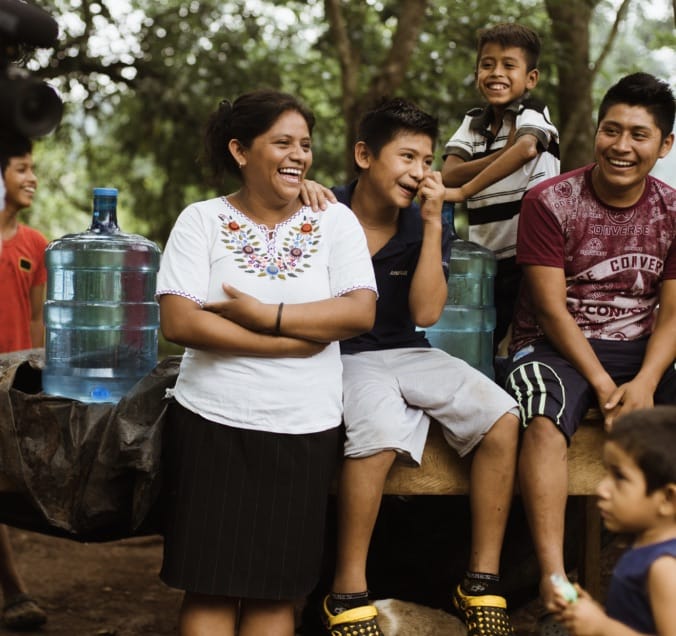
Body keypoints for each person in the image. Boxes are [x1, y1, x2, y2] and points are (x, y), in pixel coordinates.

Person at [155, 89, 377, 636]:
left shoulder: (336, 223)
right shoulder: (201, 220)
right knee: (208, 586)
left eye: (305, 144)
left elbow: (357, 311)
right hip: (211, 422)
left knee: (277, 595)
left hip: (303, 428)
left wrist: (262, 314)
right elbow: (180, 322)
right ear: (240, 150)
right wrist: (286, 341)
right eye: (281, 143)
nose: (298, 155)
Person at [320, 98, 521, 636]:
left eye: (427, 160)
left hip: (408, 348)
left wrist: (433, 225)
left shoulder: (420, 224)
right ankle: (346, 591)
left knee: (502, 416)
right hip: (344, 354)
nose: (418, 171)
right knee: (379, 433)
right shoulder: (323, 213)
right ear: (364, 155)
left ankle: (480, 579)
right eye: (406, 156)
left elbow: (427, 313)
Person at [502, 72, 676, 634]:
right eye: (611, 130)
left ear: (664, 145)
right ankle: (558, 586)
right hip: (553, 347)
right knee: (546, 417)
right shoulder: (549, 201)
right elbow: (551, 310)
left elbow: (673, 313)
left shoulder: (673, 210)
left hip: (642, 348)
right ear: (597, 132)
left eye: (640, 135)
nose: (622, 146)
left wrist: (648, 379)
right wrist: (603, 386)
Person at [441, 23, 559, 356]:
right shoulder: (472, 123)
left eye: (509, 65)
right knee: (484, 340)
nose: (497, 73)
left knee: (520, 344)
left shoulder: (532, 113)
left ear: (530, 78)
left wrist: (466, 191)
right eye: (488, 64)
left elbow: (525, 149)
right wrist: (501, 155)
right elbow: (449, 173)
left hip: (532, 259)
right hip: (487, 260)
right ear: (477, 71)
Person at [553, 406, 676, 635]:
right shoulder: (645, 550)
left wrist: (600, 626)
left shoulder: (665, 568)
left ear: (667, 499)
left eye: (620, 478)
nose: (602, 489)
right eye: (605, 473)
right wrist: (591, 613)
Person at [0, 131, 48, 630]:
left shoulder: (36, 244)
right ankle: (15, 591)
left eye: (33, 167)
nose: (31, 177)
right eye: (20, 168)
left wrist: (34, 377)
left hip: (12, 382)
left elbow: (37, 323)